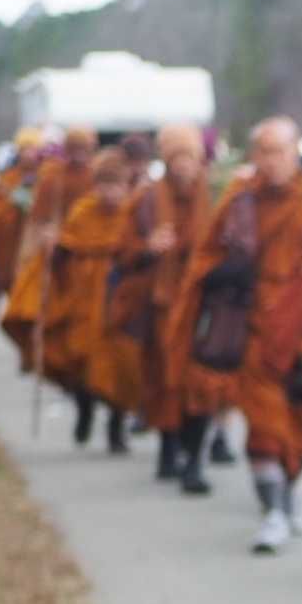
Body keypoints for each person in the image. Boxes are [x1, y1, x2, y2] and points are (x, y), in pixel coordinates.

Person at [168, 116, 302, 539]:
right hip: (255, 326)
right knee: (262, 427)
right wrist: (226, 273)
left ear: (296, 152)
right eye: (265, 152)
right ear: (254, 156)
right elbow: (207, 255)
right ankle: (273, 511)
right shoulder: (240, 201)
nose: (273, 161)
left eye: (281, 151)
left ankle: (291, 487)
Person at [118, 124, 215, 481]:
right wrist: (148, 249)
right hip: (162, 306)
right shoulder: (146, 200)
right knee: (164, 381)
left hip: (205, 306)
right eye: (176, 158)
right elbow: (123, 252)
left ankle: (194, 459)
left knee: (201, 381)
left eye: (189, 157)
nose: (183, 165)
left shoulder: (216, 197)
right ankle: (169, 450)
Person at [45, 147, 138, 451]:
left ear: (125, 186)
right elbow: (64, 249)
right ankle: (85, 410)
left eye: (116, 185)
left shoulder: (132, 214)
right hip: (83, 301)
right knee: (83, 362)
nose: (109, 192)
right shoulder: (82, 212)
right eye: (103, 185)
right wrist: (54, 251)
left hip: (118, 302)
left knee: (120, 364)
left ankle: (116, 425)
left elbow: (137, 253)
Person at [3, 128, 98, 372]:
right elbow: (37, 222)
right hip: (58, 257)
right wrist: (36, 248)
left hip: (88, 259)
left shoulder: (96, 177)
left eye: (83, 150)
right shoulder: (54, 179)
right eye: (74, 150)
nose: (79, 156)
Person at [0, 129, 43, 293]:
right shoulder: (7, 179)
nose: (29, 154)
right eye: (25, 149)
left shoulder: (46, 177)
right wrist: (15, 204)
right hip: (13, 248)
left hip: (37, 246)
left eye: (33, 149)